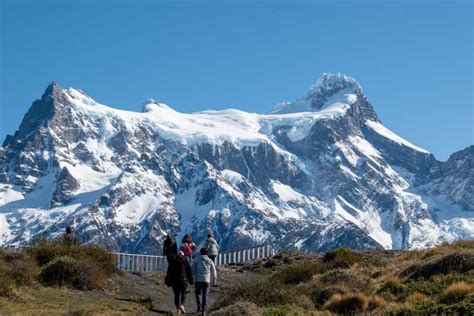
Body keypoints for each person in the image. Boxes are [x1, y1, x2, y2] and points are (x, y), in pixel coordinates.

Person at [192, 247, 217, 315]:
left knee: (198, 294)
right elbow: (214, 272)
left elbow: (193, 271)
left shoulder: (196, 260)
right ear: (207, 253)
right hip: (207, 280)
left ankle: (198, 308)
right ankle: (204, 310)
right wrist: (214, 281)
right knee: (205, 295)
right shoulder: (210, 261)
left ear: (200, 252)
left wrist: (192, 279)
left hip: (198, 280)